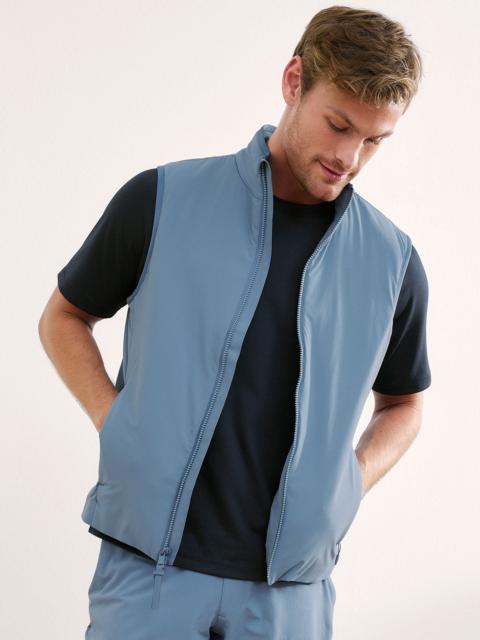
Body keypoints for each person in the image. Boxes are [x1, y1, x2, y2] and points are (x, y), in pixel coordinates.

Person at [38, 5, 431, 639]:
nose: (350, 156)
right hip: (148, 571)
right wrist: (118, 423)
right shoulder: (162, 200)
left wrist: (348, 484)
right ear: (294, 81)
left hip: (290, 593)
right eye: (338, 125)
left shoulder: (393, 263)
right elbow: (64, 316)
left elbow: (404, 403)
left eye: (374, 140)